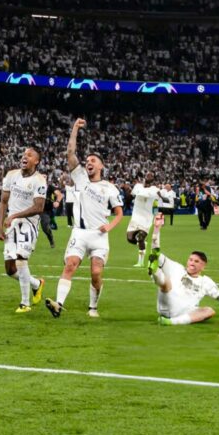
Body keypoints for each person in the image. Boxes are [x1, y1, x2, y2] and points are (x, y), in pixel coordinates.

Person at [45, 119, 124, 319]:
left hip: (99, 235)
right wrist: (74, 129)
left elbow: (119, 212)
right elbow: (70, 153)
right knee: (70, 265)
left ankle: (93, 307)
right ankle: (58, 304)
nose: (88, 162)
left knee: (96, 273)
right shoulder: (80, 178)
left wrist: (110, 226)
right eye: (87, 160)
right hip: (79, 233)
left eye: (93, 161)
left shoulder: (109, 188)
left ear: (101, 166)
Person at [147, 213, 219, 325]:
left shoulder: (206, 282)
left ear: (203, 266)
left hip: (186, 312)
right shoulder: (176, 268)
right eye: (190, 259)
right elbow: (155, 252)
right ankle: (154, 271)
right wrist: (156, 229)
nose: (191, 263)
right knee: (165, 281)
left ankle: (170, 322)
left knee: (209, 311)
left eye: (196, 261)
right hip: (167, 304)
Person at [0, 147, 48, 313]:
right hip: (11, 224)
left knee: (21, 259)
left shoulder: (39, 180)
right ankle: (36, 284)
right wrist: (0, 227)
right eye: (24, 154)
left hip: (28, 223)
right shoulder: (11, 175)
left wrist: (15, 216)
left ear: (36, 161)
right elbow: (3, 202)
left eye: (30, 155)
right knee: (10, 270)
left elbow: (39, 207)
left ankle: (25, 303)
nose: (25, 157)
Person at [126, 172, 159, 267]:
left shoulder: (155, 190)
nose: (149, 176)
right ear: (145, 177)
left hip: (146, 218)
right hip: (136, 217)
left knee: (140, 238)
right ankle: (142, 243)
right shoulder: (138, 186)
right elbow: (131, 195)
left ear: (153, 179)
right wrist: (128, 191)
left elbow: (158, 200)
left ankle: (140, 262)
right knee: (130, 239)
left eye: (151, 175)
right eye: (148, 174)